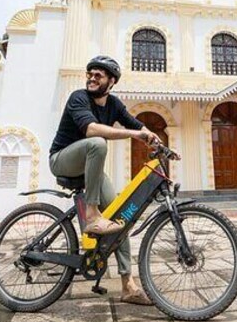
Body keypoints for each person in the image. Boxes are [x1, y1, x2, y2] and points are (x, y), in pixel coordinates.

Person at [49, 55, 171, 305]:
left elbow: (138, 125)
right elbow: (92, 130)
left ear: (111, 81)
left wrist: (161, 145)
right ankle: (92, 216)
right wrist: (133, 135)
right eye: (90, 74)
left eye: (98, 75)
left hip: (88, 169)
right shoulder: (78, 97)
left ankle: (128, 285)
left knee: (121, 216)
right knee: (97, 142)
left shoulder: (114, 104)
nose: (91, 78)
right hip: (62, 159)